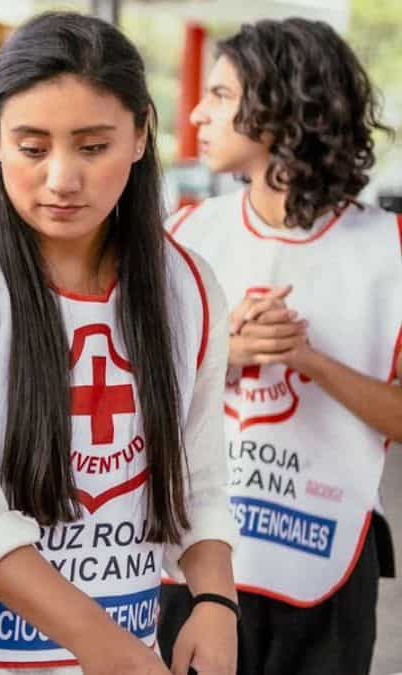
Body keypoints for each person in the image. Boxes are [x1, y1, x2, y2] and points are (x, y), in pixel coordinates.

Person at [0, 12, 238, 675]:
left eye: (92, 146)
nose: (61, 178)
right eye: (33, 147)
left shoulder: (187, 286)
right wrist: (107, 647)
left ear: (142, 135)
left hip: (114, 644)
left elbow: (197, 478)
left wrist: (215, 599)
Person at [159, 18, 402, 675]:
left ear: (279, 105)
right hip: (197, 555)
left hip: (327, 562)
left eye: (218, 95)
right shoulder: (185, 234)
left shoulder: (390, 248)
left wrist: (308, 358)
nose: (196, 112)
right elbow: (135, 395)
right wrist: (224, 353)